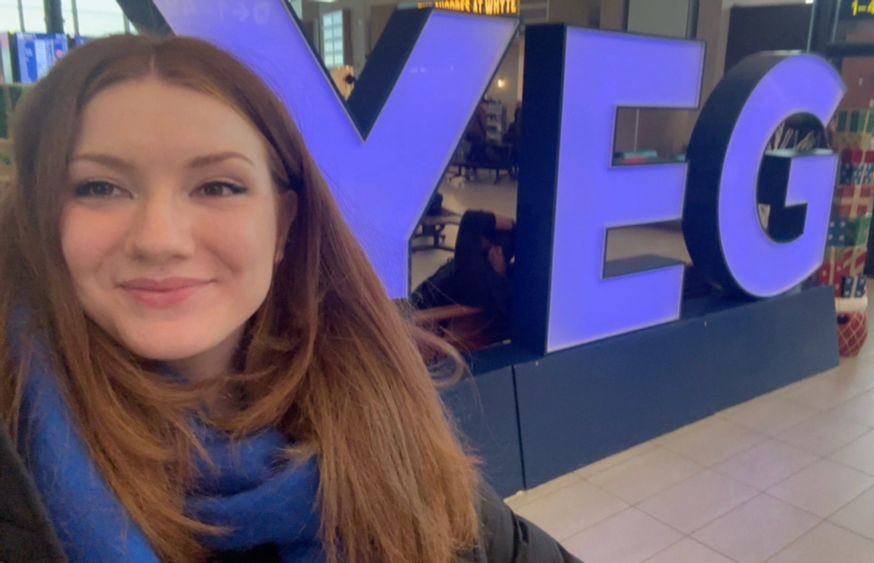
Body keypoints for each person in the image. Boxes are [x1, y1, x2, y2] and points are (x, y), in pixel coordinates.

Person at [0, 35, 578, 563]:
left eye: (218, 186)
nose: (159, 239)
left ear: (283, 226)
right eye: (99, 187)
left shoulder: (371, 406)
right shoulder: (21, 468)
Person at [411, 211, 514, 343]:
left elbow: (471, 219)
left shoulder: (473, 276)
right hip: (424, 318)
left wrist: (511, 224)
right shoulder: (501, 284)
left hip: (416, 319)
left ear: (494, 250)